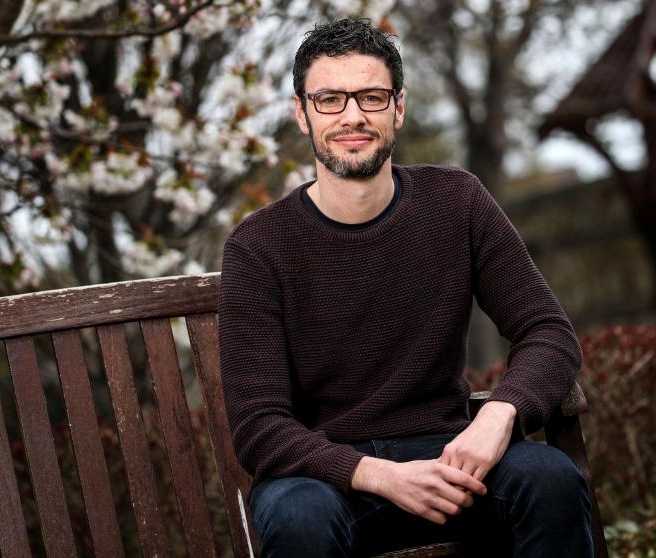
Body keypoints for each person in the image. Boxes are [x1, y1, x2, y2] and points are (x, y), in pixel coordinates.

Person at [218, 18, 593, 558]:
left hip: (451, 457)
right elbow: (259, 427)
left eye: (371, 96)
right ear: (301, 114)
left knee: (548, 477)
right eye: (330, 100)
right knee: (296, 514)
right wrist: (378, 475)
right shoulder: (258, 246)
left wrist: (499, 413)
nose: (353, 116)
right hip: (330, 480)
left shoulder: (456, 201)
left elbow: (548, 333)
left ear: (397, 108)